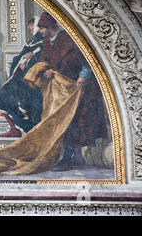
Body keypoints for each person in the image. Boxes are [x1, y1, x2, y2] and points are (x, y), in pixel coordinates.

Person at [37, 12, 108, 171]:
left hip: (78, 87)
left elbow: (87, 57)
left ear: (50, 27)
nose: (40, 31)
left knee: (73, 121)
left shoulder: (68, 38)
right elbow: (44, 61)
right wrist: (45, 71)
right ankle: (67, 157)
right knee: (60, 121)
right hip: (60, 89)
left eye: (42, 27)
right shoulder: (47, 43)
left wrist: (83, 76)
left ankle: (69, 159)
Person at [0, 17, 44, 137]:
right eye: (30, 25)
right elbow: (19, 57)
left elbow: (40, 61)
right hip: (19, 80)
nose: (30, 28)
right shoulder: (31, 42)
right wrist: (22, 60)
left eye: (32, 25)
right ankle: (14, 128)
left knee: (16, 101)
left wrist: (28, 61)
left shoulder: (43, 43)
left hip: (30, 82)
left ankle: (27, 131)